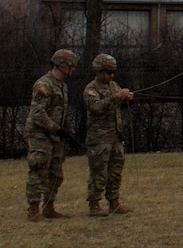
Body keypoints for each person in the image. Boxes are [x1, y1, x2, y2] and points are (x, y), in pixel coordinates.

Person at [26, 48, 77, 222]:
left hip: (55, 135)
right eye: (71, 66)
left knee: (56, 171)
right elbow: (37, 113)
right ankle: (33, 209)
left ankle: (49, 206)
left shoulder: (62, 86)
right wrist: (56, 128)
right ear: (62, 65)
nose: (73, 70)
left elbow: (62, 112)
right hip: (40, 134)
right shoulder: (44, 85)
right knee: (39, 168)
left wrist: (70, 133)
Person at [84, 53, 134, 217]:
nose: (111, 76)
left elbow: (119, 104)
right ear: (98, 72)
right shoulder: (91, 89)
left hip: (115, 137)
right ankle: (94, 204)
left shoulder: (114, 86)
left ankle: (114, 202)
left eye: (113, 72)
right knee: (99, 172)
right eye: (107, 72)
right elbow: (96, 107)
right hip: (99, 138)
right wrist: (116, 97)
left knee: (115, 171)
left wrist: (126, 98)